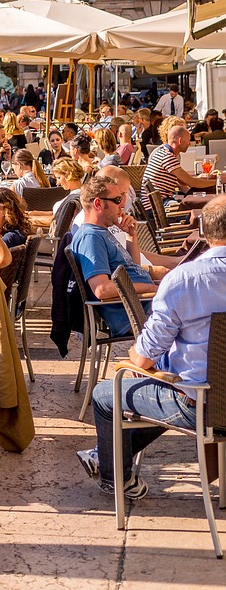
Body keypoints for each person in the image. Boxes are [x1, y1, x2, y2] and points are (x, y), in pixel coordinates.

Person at [78, 194, 226, 498]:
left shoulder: (185, 279)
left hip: (203, 406)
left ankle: (114, 478)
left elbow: (146, 354)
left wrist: (133, 363)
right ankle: (102, 454)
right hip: (206, 397)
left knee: (107, 394)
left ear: (205, 234)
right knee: (166, 383)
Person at [69, 173, 155, 340]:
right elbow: (102, 289)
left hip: (144, 306)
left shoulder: (101, 232)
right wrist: (151, 288)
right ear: (98, 203)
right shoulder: (90, 237)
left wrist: (131, 237)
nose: (122, 204)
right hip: (137, 316)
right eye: (117, 200)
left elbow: (134, 269)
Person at [141, 122, 216, 212]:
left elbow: (183, 181)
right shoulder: (167, 156)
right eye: (188, 140)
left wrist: (205, 179)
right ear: (180, 141)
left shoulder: (163, 152)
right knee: (202, 211)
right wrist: (217, 182)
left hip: (155, 205)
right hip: (158, 207)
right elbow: (192, 183)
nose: (189, 144)